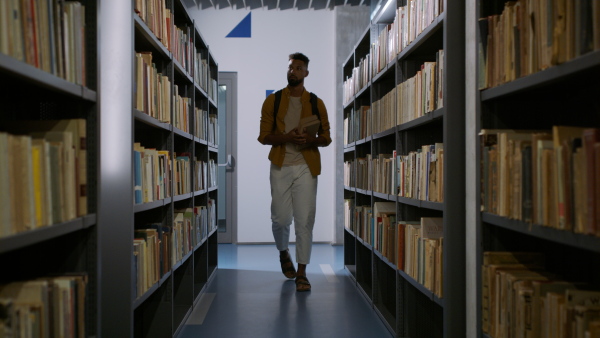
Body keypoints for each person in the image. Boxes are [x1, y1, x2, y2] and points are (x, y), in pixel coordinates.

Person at [257, 52, 331, 292]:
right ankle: (283, 252)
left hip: (306, 167)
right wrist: (287, 137)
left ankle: (302, 272)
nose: (293, 71)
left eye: (299, 68)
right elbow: (263, 136)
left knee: (305, 220)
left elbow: (327, 138)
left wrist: (310, 141)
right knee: (279, 219)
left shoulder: (316, 103)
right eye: (291, 67)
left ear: (306, 73)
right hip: (280, 165)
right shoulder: (274, 101)